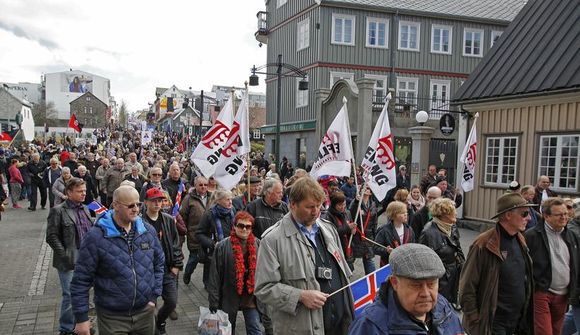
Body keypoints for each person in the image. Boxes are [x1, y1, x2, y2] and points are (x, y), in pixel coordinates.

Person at [255, 177, 354, 335]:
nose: (316, 211)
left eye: (319, 205)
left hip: (339, 326)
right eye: (309, 207)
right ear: (292, 204)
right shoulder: (272, 240)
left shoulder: (328, 229)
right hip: (302, 328)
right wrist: (299, 296)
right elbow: (264, 288)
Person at [70, 186, 164, 335]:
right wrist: (81, 319)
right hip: (112, 317)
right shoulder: (96, 237)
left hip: (145, 313)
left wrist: (154, 296)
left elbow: (159, 263)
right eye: (130, 205)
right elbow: (81, 280)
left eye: (138, 205)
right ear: (115, 205)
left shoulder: (147, 231)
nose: (136, 209)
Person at [459, 192, 535, 335]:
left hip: (517, 321)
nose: (529, 218)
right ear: (508, 215)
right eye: (524, 214)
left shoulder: (521, 239)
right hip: (493, 323)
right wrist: (475, 319)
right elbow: (467, 286)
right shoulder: (484, 243)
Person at [348, 243, 464, 334]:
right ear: (394, 283)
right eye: (416, 285)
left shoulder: (445, 309)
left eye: (431, 284)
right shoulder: (369, 326)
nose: (425, 293)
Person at [46, 178, 93, 335]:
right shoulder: (58, 210)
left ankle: (81, 323)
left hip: (86, 259)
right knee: (70, 294)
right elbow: (51, 237)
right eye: (80, 191)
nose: (83, 194)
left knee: (83, 293)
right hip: (69, 260)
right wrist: (65, 256)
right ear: (69, 192)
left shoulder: (86, 209)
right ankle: (66, 328)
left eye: (84, 191)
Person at [525, 197, 576, 335]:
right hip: (542, 291)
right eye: (559, 214)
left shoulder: (571, 236)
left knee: (556, 331)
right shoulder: (532, 236)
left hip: (563, 294)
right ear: (546, 216)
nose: (564, 217)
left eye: (566, 214)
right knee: (544, 332)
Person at [208, 211, 262, 335]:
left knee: (255, 329)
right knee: (226, 331)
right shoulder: (222, 246)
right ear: (234, 226)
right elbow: (214, 276)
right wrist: (213, 301)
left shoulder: (258, 244)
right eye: (241, 226)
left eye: (248, 226)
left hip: (250, 297)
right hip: (229, 296)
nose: (244, 229)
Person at [142, 188, 184, 335]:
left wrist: (176, 266)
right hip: (147, 272)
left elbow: (175, 244)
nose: (157, 203)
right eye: (153, 200)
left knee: (172, 301)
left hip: (167, 270)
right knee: (149, 305)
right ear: (146, 202)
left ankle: (160, 322)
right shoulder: (140, 222)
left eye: (160, 200)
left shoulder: (167, 219)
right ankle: (154, 327)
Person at [419, 198, 465, 306]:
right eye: (453, 211)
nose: (456, 213)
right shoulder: (428, 232)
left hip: (453, 275)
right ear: (445, 214)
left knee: (449, 307)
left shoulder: (452, 227)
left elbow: (458, 249)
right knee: (438, 308)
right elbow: (424, 261)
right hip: (439, 279)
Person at [196, 189, 236, 288]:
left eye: (231, 199)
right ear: (218, 201)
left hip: (231, 250)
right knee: (212, 284)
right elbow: (199, 233)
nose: (230, 202)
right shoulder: (209, 214)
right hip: (214, 253)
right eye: (227, 199)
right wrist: (213, 244)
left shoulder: (232, 211)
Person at [181, 176, 212, 285]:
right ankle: (188, 273)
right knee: (194, 258)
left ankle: (207, 282)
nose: (203, 187)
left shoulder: (212, 197)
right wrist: (185, 231)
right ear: (195, 186)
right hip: (194, 234)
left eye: (205, 185)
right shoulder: (189, 198)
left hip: (209, 234)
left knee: (208, 259)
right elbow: (182, 216)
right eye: (201, 185)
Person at [374, 201, 415, 267]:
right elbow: (375, 248)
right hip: (389, 265)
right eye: (402, 213)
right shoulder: (384, 230)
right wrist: (386, 251)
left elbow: (413, 245)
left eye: (406, 212)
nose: (405, 214)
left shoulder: (409, 229)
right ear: (393, 215)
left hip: (405, 264)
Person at [323, 191, 356, 270]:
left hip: (348, 248)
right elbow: (331, 233)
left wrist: (352, 231)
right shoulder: (328, 216)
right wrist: (348, 228)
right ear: (334, 205)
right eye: (339, 205)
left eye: (344, 204)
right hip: (337, 250)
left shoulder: (347, 213)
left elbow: (350, 227)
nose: (342, 207)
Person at [348, 186, 378, 274]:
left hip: (367, 236)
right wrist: (356, 202)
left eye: (368, 188)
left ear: (370, 193)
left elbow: (375, 221)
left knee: (369, 260)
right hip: (356, 235)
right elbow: (350, 213)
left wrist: (374, 234)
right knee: (350, 259)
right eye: (364, 188)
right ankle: (345, 278)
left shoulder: (373, 204)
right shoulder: (356, 202)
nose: (366, 189)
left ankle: (371, 282)